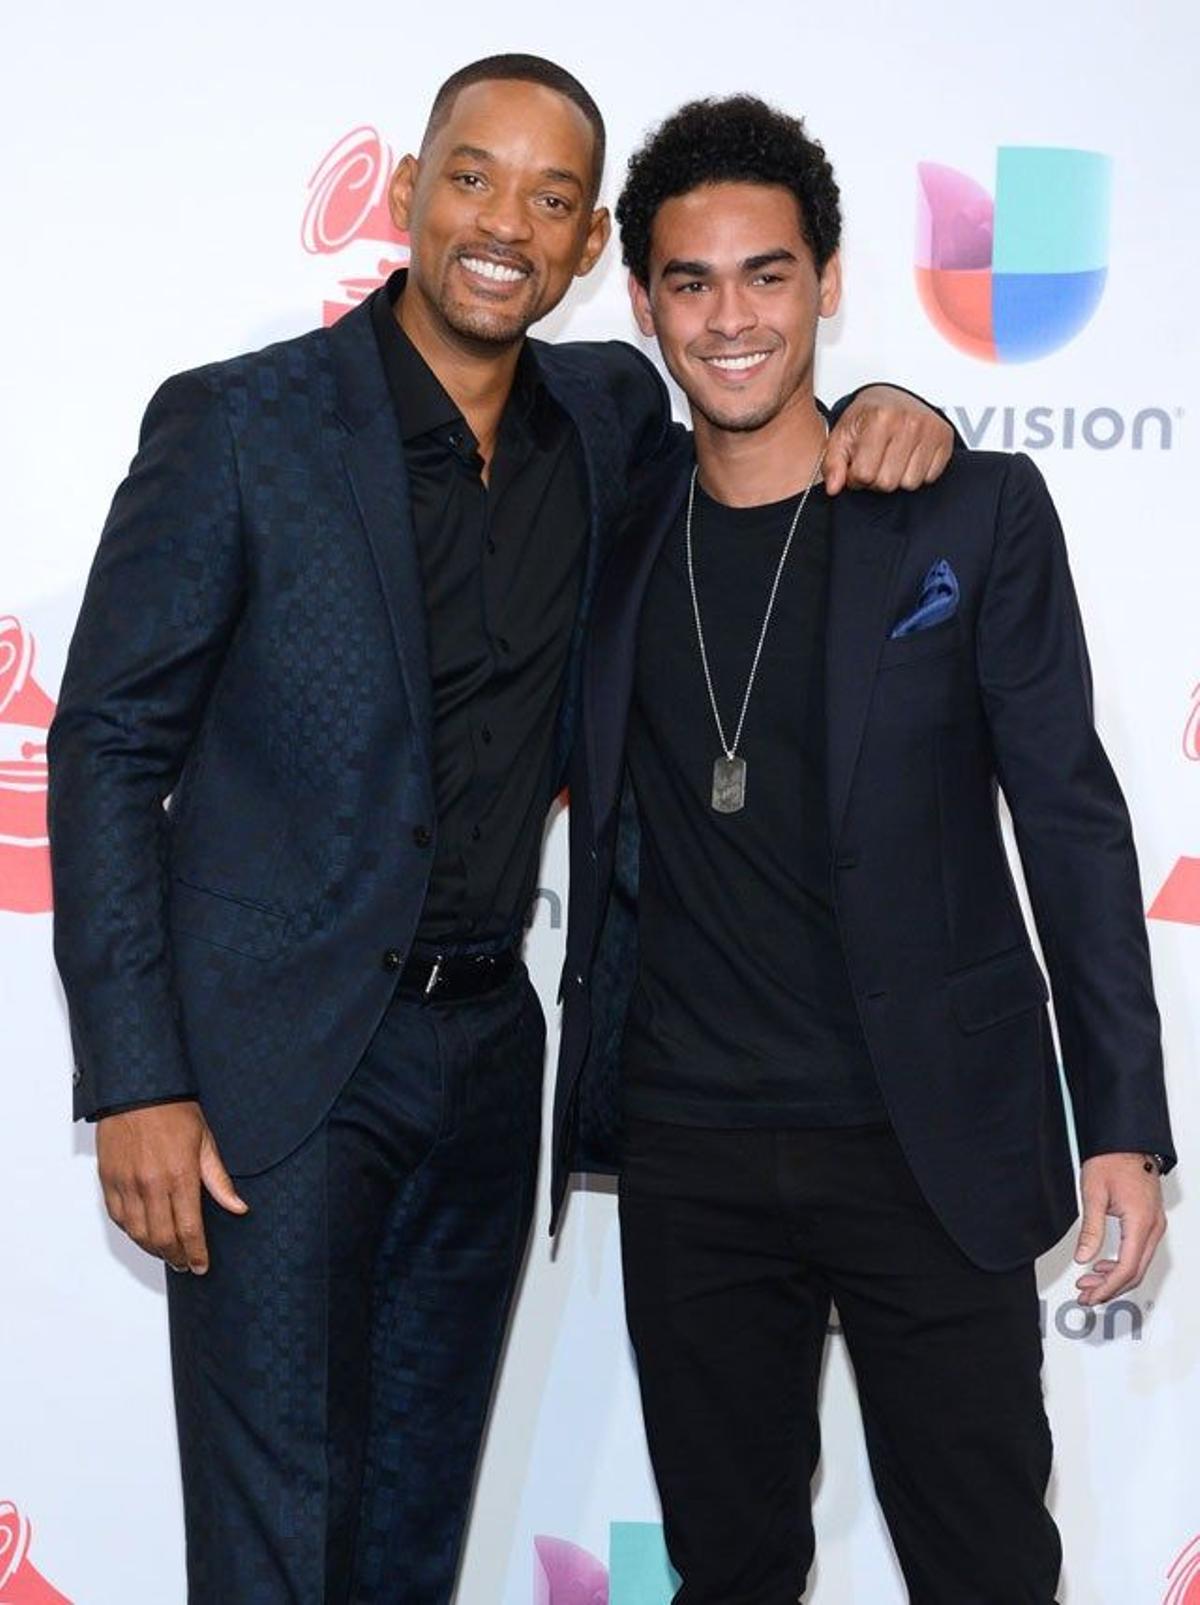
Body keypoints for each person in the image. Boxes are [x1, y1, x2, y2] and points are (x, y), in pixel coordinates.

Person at [47, 56, 951, 1605]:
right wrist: (138, 1077)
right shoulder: (239, 426)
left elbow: (760, 437)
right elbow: (110, 745)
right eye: (473, 176)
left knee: (410, 1538)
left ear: (592, 245)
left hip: (485, 1075)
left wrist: (891, 401)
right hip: (278, 1079)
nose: (502, 223)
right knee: (275, 1550)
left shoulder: (606, 421)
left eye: (549, 198)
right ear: (406, 189)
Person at [550, 95, 1175, 1604]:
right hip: (690, 1150)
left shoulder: (971, 510)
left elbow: (1076, 823)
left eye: (768, 273)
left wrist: (1125, 1122)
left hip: (930, 1142)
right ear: (641, 303)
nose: (731, 317)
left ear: (830, 282)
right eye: (690, 283)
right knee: (731, 1573)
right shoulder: (608, 525)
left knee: (984, 1567)